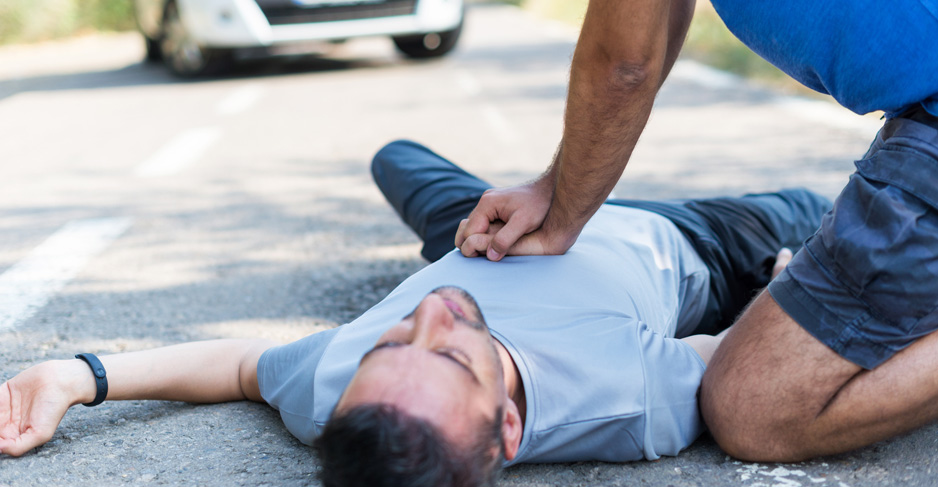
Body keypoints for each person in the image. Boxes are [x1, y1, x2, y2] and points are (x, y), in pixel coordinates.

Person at [0, 141, 829, 486]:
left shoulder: (333, 391)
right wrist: (777, 291)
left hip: (485, 232)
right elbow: (733, 352)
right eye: (452, 354)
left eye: (390, 342)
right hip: (689, 243)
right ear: (509, 425)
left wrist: (80, 374)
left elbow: (241, 366)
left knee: (394, 157)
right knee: (812, 213)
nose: (431, 313)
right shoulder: (628, 399)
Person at [454, 0, 938, 462]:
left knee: (750, 404)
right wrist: (557, 192)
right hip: (912, 123)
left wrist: (561, 210)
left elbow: (623, 63)